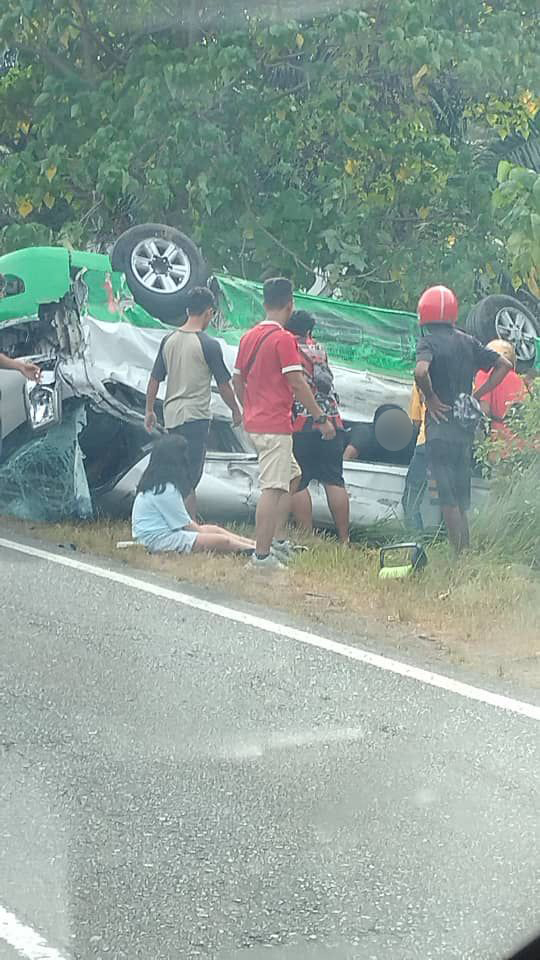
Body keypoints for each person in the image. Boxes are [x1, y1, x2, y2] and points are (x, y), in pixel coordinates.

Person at [233, 277, 336, 571]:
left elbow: (237, 379)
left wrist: (248, 407)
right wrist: (320, 417)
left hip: (257, 422)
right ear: (290, 304)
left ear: (265, 303)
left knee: (292, 475)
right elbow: (297, 383)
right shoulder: (284, 340)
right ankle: (261, 556)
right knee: (274, 487)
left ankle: (277, 540)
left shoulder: (248, 337)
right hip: (275, 425)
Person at [414, 284, 512, 553]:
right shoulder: (468, 341)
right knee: (460, 497)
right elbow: (505, 364)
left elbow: (421, 371)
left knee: (447, 500)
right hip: (464, 431)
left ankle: (459, 557)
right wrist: (478, 392)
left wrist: (431, 398)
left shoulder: (428, 341)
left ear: (424, 314)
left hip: (440, 429)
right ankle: (466, 552)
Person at [145, 286, 241, 519]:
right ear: (209, 312)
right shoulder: (208, 344)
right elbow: (225, 385)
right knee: (190, 475)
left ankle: (174, 519)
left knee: (175, 470)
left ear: (188, 310)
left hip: (172, 416)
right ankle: (188, 524)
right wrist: (236, 411)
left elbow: (155, 378)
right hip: (196, 417)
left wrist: (149, 410)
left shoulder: (169, 340)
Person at [284, 310, 349, 543]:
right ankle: (344, 539)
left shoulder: (288, 346)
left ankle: (306, 536)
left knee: (298, 480)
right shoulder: (320, 349)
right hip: (333, 420)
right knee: (334, 479)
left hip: (302, 423)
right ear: (309, 331)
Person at [132, 434, 256, 555]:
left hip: (163, 534)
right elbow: (188, 526)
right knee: (222, 541)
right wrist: (207, 535)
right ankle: (252, 550)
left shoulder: (156, 484)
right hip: (158, 540)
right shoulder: (165, 490)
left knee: (215, 530)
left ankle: (253, 544)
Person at [475, 340, 528, 458]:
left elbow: (484, 411)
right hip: (523, 446)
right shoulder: (519, 380)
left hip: (499, 445)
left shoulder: (485, 375)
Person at [401, 383, 427, 531]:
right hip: (457, 447)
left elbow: (416, 421)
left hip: (427, 442)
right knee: (450, 502)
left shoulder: (422, 377)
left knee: (411, 499)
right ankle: (453, 545)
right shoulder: (466, 377)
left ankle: (415, 544)